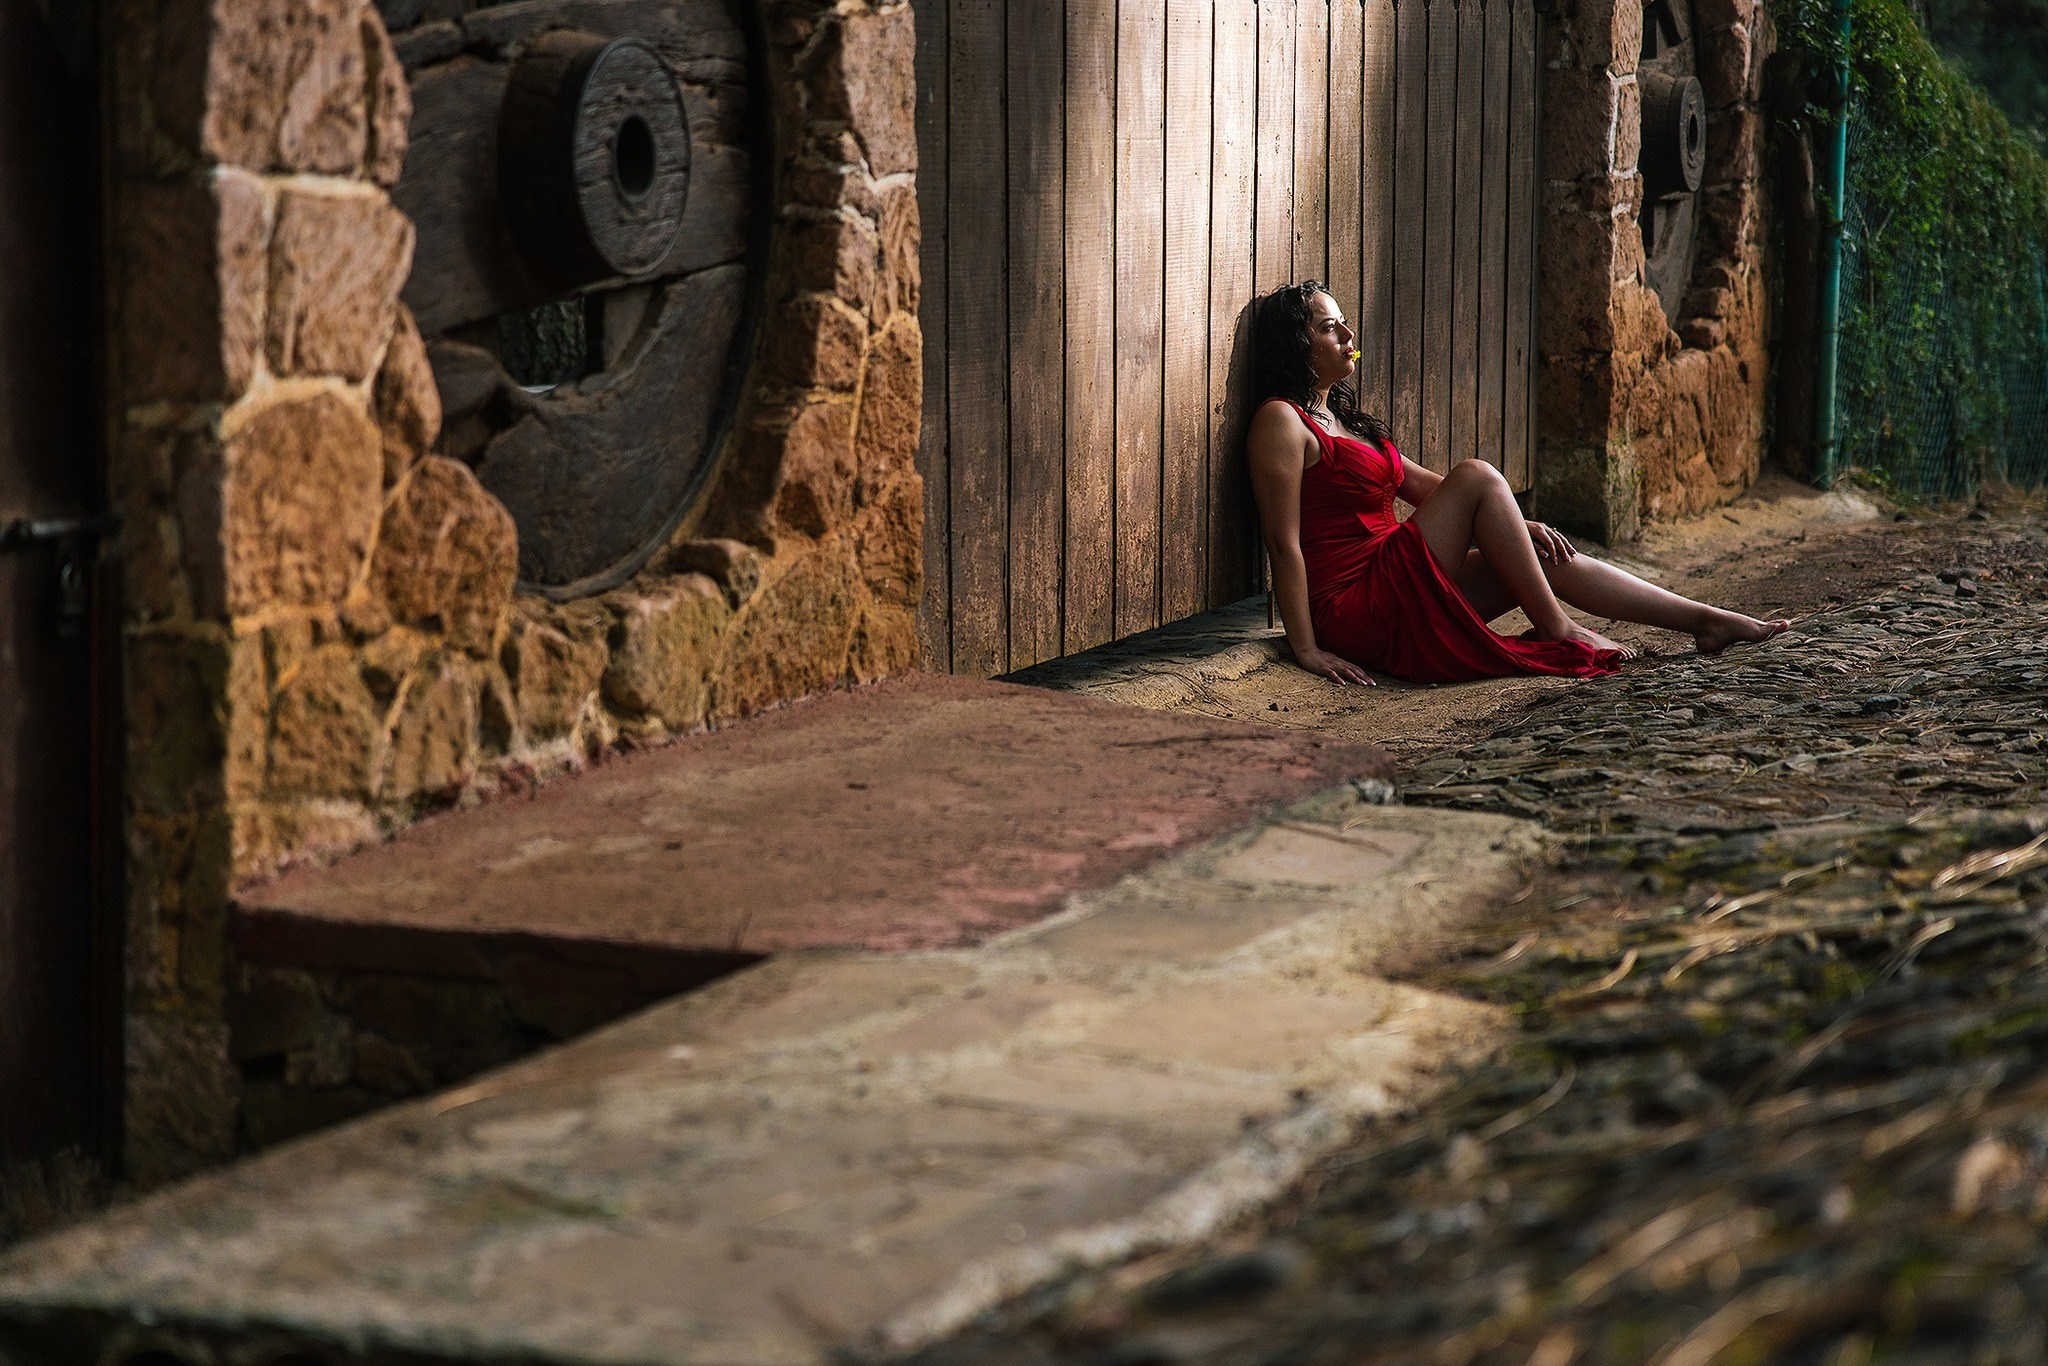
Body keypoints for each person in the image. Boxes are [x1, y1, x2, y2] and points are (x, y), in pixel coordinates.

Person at [1246, 281, 1791, 686]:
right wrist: (1307, 649)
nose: (1348, 335)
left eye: (1344, 322)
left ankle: (1708, 621)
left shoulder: (1343, 418)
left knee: (1539, 553)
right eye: (1327, 327)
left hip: (1396, 583)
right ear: (1297, 345)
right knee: (1478, 473)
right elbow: (1283, 544)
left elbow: (1420, 487)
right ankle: (1561, 629)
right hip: (1356, 605)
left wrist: (1513, 522)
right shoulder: (1280, 421)